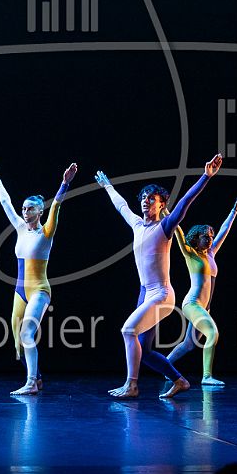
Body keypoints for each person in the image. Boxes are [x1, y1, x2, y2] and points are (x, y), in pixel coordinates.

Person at [96, 154, 223, 399]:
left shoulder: (164, 227)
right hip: (145, 293)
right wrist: (108, 186)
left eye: (152, 199)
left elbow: (185, 202)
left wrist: (205, 176)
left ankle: (132, 385)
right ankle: (179, 380)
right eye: (144, 198)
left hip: (162, 294)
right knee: (144, 350)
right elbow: (121, 206)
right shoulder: (137, 225)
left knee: (128, 331)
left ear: (161, 204)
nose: (146, 201)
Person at [0, 162, 78, 395]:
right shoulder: (20, 228)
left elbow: (56, 205)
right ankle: (37, 378)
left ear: (40, 212)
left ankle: (30, 384)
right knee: (18, 342)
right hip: (20, 292)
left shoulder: (46, 233)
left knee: (27, 333)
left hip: (39, 290)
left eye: (30, 209)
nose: (25, 212)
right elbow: (6, 204)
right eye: (24, 209)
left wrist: (65, 183)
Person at [166, 197, 237, 387]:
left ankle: (164, 366)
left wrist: (234, 212)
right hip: (192, 304)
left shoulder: (211, 254)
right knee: (212, 334)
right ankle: (207, 376)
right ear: (196, 238)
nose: (210, 239)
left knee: (188, 344)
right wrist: (169, 215)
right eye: (206, 237)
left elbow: (224, 231)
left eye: (211, 236)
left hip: (204, 307)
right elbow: (178, 232)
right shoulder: (190, 253)